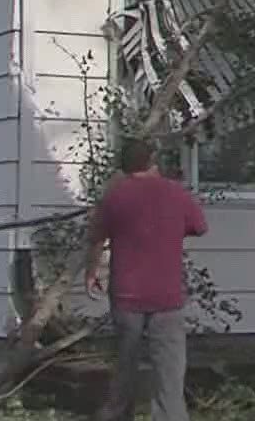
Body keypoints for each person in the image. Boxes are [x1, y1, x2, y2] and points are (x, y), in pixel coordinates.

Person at [86, 139, 209, 421]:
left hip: (126, 296)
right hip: (167, 296)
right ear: (153, 160)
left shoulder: (115, 196)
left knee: (125, 366)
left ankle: (117, 415)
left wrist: (91, 272)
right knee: (169, 374)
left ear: (123, 165)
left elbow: (94, 238)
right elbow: (199, 227)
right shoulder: (175, 193)